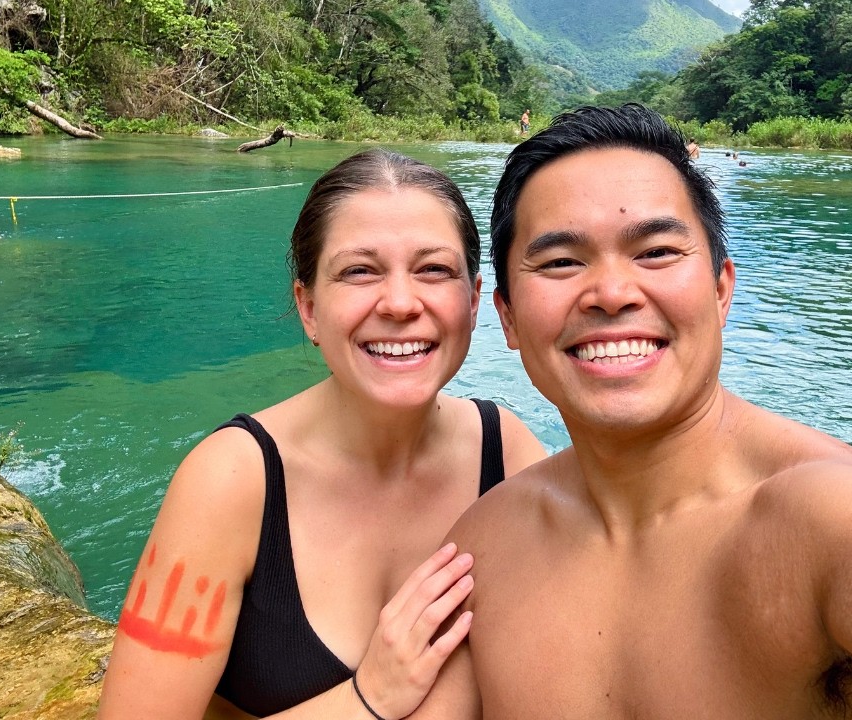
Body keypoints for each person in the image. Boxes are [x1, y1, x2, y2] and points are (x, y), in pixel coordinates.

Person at [411, 104, 852, 719]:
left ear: (723, 290)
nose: (610, 292)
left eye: (657, 251)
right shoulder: (487, 549)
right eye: (562, 262)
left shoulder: (830, 528)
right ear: (504, 315)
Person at [98, 149, 546, 720]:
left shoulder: (506, 452)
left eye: (434, 269)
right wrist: (370, 697)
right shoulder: (232, 482)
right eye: (359, 271)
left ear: (476, 298)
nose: (402, 303)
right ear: (308, 307)